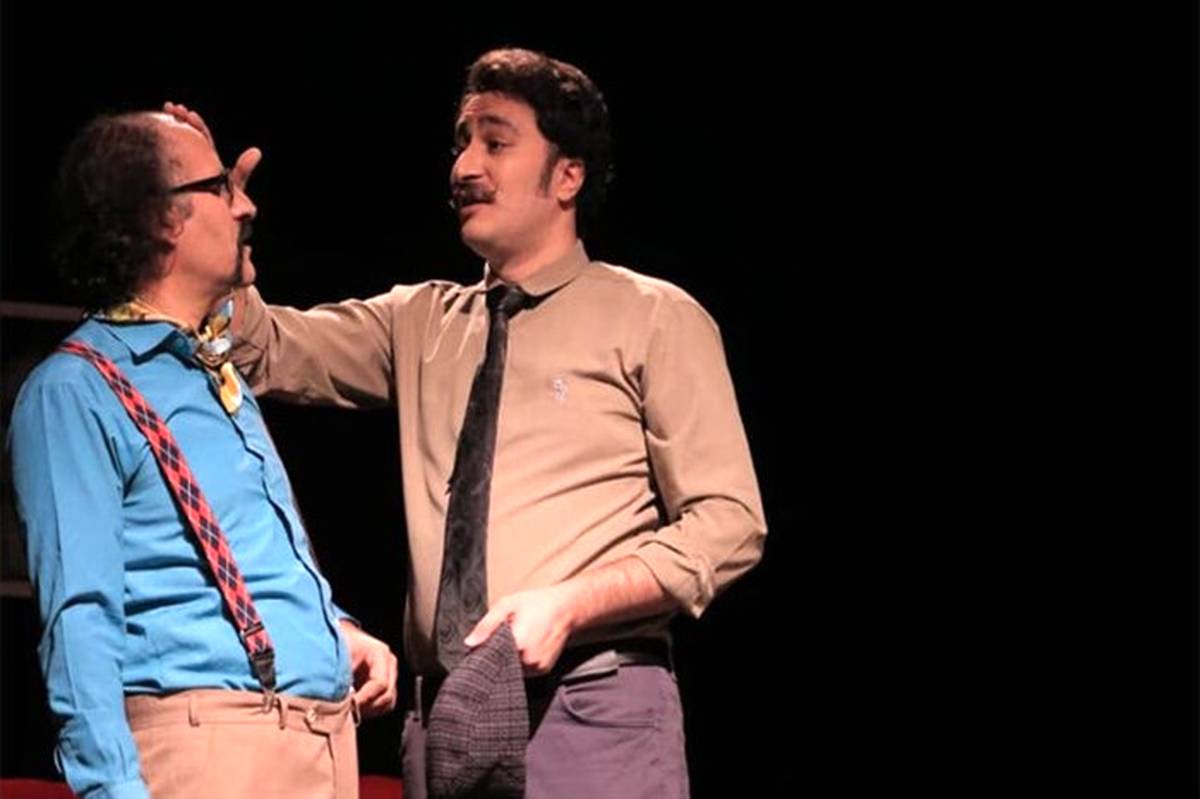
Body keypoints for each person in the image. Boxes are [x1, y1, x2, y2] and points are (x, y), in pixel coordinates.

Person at [181, 45, 766, 798]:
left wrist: (572, 603)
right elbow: (260, 350)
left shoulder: (652, 316)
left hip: (593, 706)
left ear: (568, 175)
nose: (465, 167)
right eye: (462, 143)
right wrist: (217, 231)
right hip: (445, 717)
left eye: (496, 142)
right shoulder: (420, 320)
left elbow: (729, 521)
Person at [8, 110, 398, 799]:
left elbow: (235, 549)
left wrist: (332, 632)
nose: (246, 206)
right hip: (212, 749)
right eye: (220, 188)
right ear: (166, 218)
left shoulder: (210, 370)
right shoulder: (78, 388)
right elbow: (80, 618)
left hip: (319, 742)